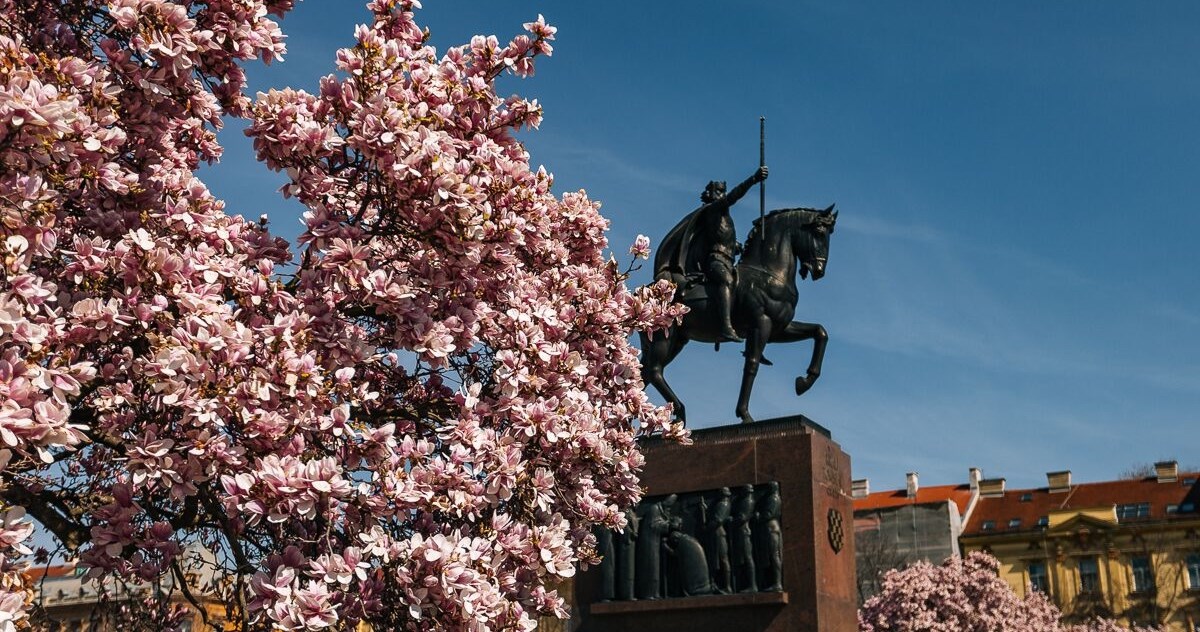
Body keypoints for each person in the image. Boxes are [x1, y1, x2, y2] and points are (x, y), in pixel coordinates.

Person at [691, 166, 768, 342]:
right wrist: (753, 179)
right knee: (726, 280)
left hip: (728, 260)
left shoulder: (722, 216)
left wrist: (736, 246)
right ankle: (725, 326)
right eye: (719, 191)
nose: (723, 194)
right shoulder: (713, 209)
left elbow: (721, 237)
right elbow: (735, 196)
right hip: (716, 261)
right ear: (711, 194)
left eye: (723, 191)